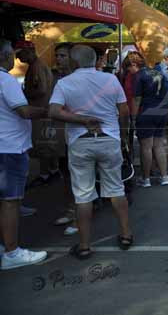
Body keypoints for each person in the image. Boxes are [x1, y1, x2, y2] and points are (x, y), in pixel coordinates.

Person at [48, 45, 133, 259]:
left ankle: (85, 245)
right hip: (109, 138)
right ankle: (126, 234)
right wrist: (123, 136)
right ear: (95, 60)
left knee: (83, 195)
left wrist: (82, 119)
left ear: (74, 61)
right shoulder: (110, 79)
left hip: (80, 142)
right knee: (116, 189)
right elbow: (124, 111)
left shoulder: (64, 83)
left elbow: (53, 111)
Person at [0, 39, 49, 270]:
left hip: (5, 146)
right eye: (12, 53)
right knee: (10, 202)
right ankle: (12, 252)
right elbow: (24, 111)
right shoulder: (6, 79)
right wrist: (48, 111)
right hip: (10, 147)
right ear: (4, 55)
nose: (15, 58)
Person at [15, 42, 57, 188]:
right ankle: (53, 171)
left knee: (42, 144)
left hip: (40, 111)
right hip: (43, 110)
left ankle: (45, 175)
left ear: (29, 51)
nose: (18, 58)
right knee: (48, 143)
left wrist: (24, 93)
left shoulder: (37, 66)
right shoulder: (36, 65)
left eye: (20, 54)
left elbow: (42, 89)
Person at [131, 53, 168, 187]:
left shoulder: (139, 76)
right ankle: (164, 176)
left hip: (146, 112)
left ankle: (146, 178)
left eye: (129, 67)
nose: (129, 71)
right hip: (161, 112)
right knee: (159, 146)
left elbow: (136, 99)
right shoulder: (158, 73)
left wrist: (133, 118)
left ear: (134, 65)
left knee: (146, 147)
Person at [51, 43, 78, 236]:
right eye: (57, 56)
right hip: (63, 132)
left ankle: (79, 215)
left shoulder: (78, 79)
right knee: (66, 174)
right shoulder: (58, 78)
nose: (58, 59)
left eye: (63, 56)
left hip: (79, 134)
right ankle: (71, 209)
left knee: (78, 177)